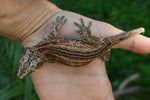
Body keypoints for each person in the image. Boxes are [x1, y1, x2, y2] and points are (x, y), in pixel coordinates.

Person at [0, 0, 149, 100]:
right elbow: (54, 31)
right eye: (29, 67)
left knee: (100, 47)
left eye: (26, 65)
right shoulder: (46, 44)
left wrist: (41, 19)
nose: (27, 68)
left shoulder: (48, 53)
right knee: (99, 46)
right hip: (91, 49)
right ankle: (99, 44)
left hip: (91, 51)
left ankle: (105, 50)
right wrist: (47, 20)